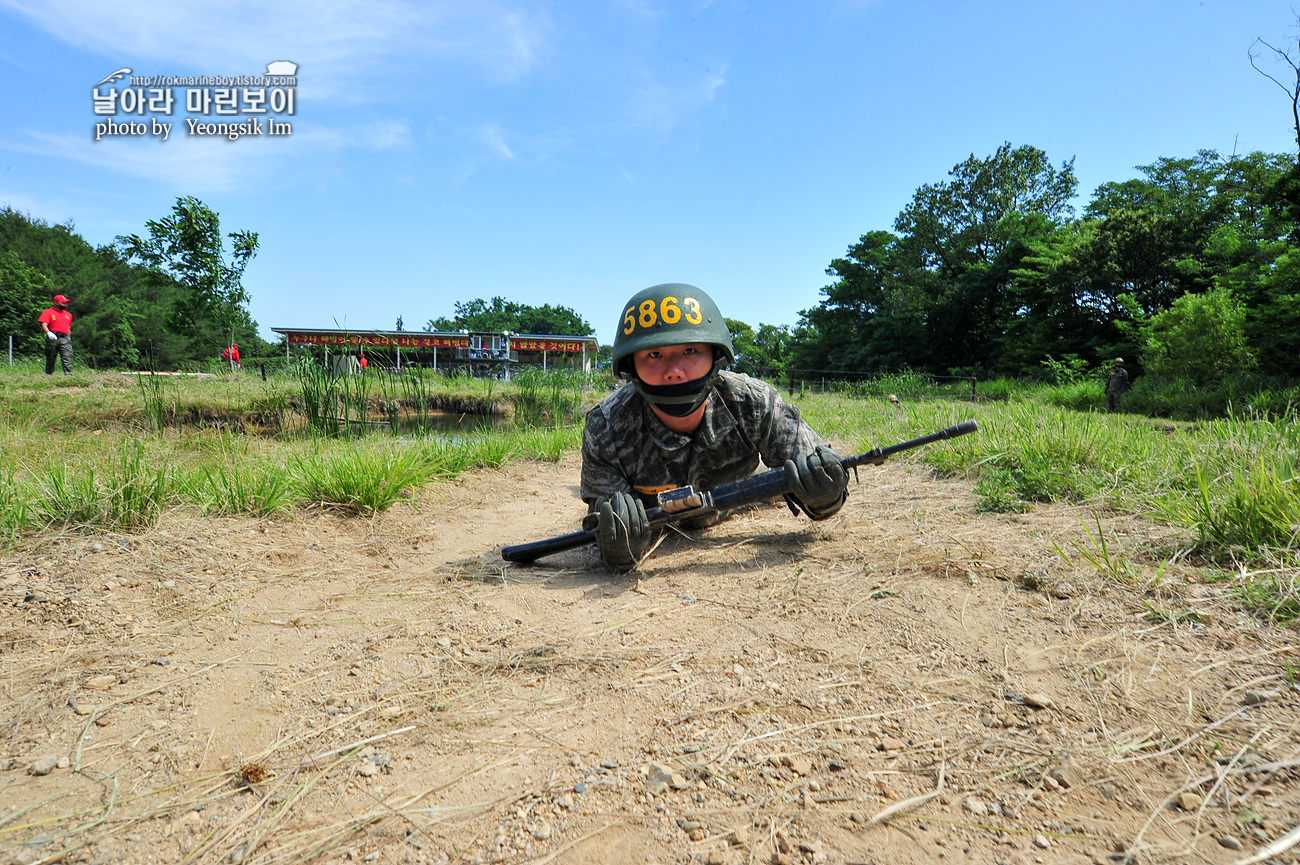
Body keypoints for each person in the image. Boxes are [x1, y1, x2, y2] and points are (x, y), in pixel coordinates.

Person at [581, 283, 848, 571]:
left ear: (715, 355)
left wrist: (825, 495)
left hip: (743, 491)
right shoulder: (605, 427)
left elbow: (824, 488)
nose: (674, 370)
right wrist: (616, 545)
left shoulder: (755, 403)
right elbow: (605, 522)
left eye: (690, 350)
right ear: (631, 365)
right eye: (654, 355)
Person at [37, 294, 73, 376]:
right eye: (63, 303)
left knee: (67, 356)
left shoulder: (68, 315)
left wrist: (69, 337)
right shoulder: (48, 312)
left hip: (65, 337)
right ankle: (49, 373)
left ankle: (68, 374)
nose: (65, 304)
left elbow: (68, 327)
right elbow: (44, 324)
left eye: (66, 303)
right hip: (53, 336)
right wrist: (48, 332)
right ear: (56, 303)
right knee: (51, 356)